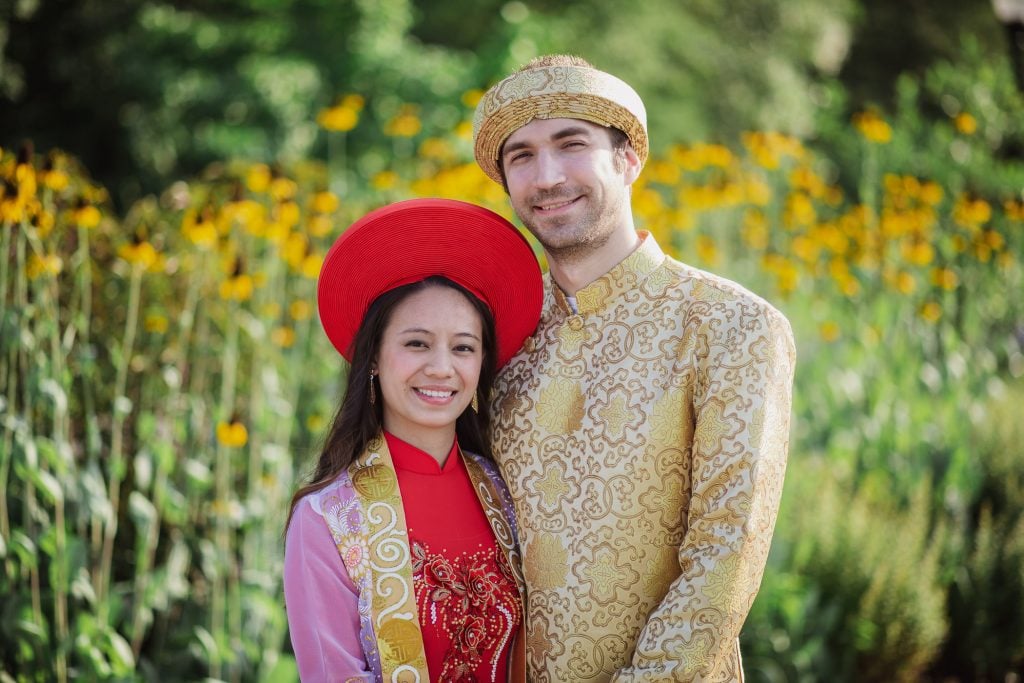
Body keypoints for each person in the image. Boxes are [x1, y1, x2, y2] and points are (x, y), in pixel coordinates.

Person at [472, 55, 797, 682]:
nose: (546, 177)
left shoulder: (728, 326)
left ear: (629, 160)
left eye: (572, 145)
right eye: (521, 157)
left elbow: (725, 553)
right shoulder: (494, 336)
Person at [283, 198, 543, 682]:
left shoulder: (509, 493)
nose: (442, 368)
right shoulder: (327, 520)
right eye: (417, 343)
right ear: (375, 359)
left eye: (463, 347)